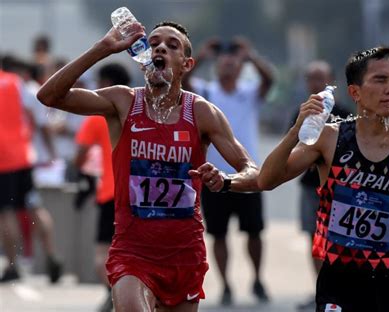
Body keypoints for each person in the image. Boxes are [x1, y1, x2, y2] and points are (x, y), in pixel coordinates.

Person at [37, 21, 260, 312]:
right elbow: (49, 96)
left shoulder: (202, 112)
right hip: (133, 253)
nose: (161, 48)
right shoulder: (123, 101)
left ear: (186, 64)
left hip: (185, 254)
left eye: (172, 45)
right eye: (154, 44)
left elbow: (253, 172)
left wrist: (225, 180)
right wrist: (103, 48)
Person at [258, 46, 389, 312]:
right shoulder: (329, 138)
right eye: (380, 79)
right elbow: (267, 180)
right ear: (355, 92)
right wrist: (297, 129)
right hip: (338, 278)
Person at [182, 36, 274, 305]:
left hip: (248, 174)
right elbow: (184, 81)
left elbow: (269, 81)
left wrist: (251, 56)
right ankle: (225, 284)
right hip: (213, 176)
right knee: (219, 234)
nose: (228, 65)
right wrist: (201, 56)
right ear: (216, 65)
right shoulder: (205, 93)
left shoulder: (249, 93)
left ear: (239, 66)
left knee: (254, 232)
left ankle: (257, 278)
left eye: (233, 61)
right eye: (223, 61)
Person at [290, 60, 351, 311]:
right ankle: (322, 289)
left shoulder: (346, 113)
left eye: (320, 78)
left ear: (331, 82)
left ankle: (345, 290)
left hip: (341, 190)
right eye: (311, 78)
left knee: (342, 241)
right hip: (310, 187)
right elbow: (290, 146)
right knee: (315, 238)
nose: (315, 83)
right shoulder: (301, 112)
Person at [0, 56, 62, 284]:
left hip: (2, 161)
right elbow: (39, 116)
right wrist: (51, 149)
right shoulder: (17, 83)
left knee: (6, 212)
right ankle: (52, 253)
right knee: (34, 206)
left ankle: (13, 264)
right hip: (23, 156)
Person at [74, 63, 131, 312]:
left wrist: (85, 175)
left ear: (107, 83)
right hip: (138, 194)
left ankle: (114, 292)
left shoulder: (98, 116)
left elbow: (79, 156)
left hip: (110, 193)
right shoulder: (141, 110)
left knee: (102, 255)